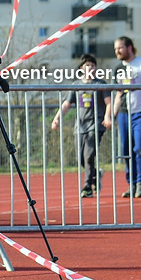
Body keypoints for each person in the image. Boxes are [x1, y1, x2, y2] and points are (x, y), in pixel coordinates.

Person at [102, 36, 141, 198]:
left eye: (120, 48)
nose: (117, 51)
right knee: (126, 150)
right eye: (115, 49)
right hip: (124, 113)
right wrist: (111, 116)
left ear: (129, 47)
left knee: (139, 148)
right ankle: (132, 183)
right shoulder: (118, 69)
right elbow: (118, 95)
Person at [51, 54, 111, 198]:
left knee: (89, 155)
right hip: (80, 126)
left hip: (96, 124)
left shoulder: (100, 84)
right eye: (87, 65)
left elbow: (109, 103)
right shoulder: (76, 85)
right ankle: (96, 174)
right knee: (81, 158)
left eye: (93, 65)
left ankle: (87, 187)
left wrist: (107, 116)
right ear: (81, 68)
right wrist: (57, 118)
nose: (90, 68)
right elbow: (66, 104)